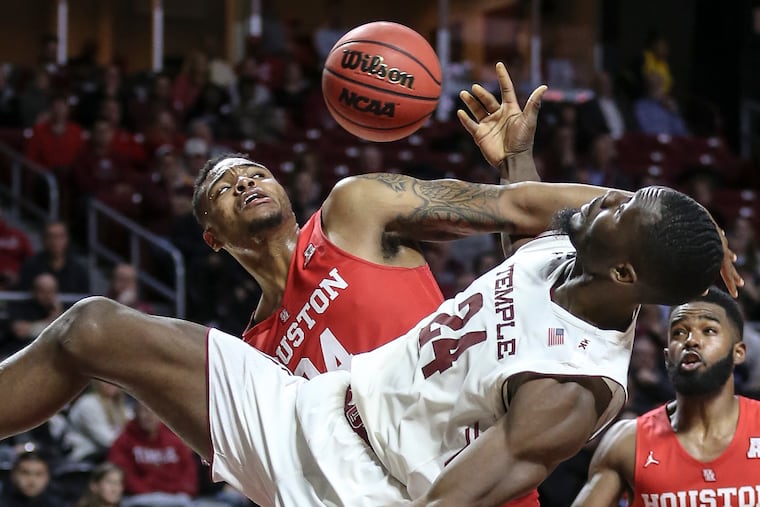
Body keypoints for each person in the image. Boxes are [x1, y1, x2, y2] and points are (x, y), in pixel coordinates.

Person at [0, 175, 740, 506]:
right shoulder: (576, 243)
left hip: (361, 489)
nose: (602, 198)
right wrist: (691, 226)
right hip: (314, 406)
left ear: (626, 269)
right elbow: (521, 200)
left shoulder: (575, 388)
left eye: (619, 209)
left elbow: (450, 501)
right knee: (92, 326)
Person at [212, 62, 548, 381]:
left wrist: (515, 161)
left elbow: (515, 212)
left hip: (466, 428)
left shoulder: (351, 214)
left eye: (258, 174)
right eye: (223, 189)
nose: (245, 183)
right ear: (213, 238)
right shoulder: (255, 358)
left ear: (282, 190)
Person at [571, 287, 758, 507]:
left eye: (708, 330)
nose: (691, 341)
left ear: (738, 352)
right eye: (679, 332)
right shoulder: (627, 442)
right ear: (668, 356)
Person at [107, 402, 198, 507]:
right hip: (139, 498)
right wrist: (151, 491)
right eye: (144, 411)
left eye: (154, 411)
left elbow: (189, 471)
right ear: (136, 413)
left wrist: (174, 490)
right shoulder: (125, 440)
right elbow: (122, 474)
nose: (149, 416)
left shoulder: (173, 439)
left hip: (175, 497)